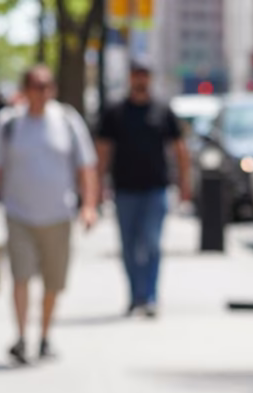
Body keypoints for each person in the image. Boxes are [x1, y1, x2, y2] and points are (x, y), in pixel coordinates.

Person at [0, 65, 98, 364]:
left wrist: (89, 206)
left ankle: (44, 336)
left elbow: (86, 167)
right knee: (21, 276)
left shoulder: (67, 121)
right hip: (18, 212)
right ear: (25, 89)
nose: (41, 92)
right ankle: (21, 337)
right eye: (35, 86)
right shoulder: (9, 123)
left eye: (46, 86)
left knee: (53, 281)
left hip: (58, 213)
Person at [95, 58, 191, 318]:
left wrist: (185, 183)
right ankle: (135, 295)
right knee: (128, 246)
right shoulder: (115, 112)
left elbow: (180, 149)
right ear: (130, 78)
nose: (140, 79)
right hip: (124, 189)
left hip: (155, 189)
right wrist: (96, 187)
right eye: (137, 74)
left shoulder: (162, 110)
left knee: (151, 243)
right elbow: (103, 151)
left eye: (145, 74)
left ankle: (149, 297)